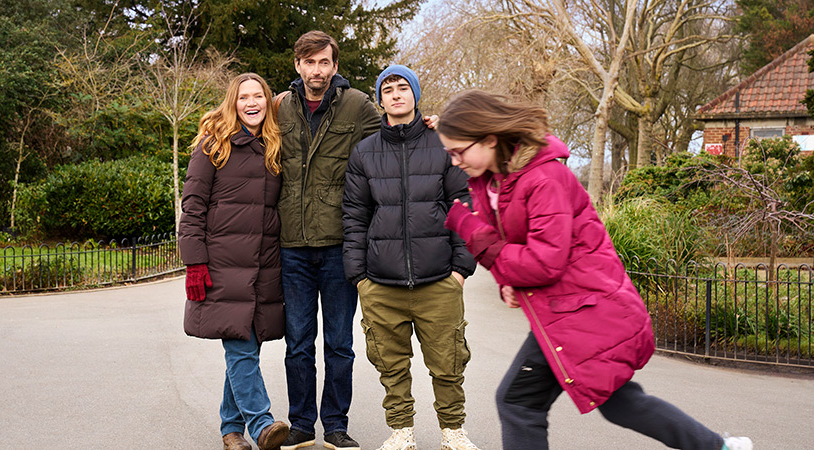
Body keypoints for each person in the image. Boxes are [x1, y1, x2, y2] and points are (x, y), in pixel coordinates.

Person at [438, 90, 754, 450]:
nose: (454, 161)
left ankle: (718, 447)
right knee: (617, 402)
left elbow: (543, 263)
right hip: (570, 311)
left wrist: (474, 233)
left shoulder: (542, 179)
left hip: (586, 312)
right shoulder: (496, 182)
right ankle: (719, 447)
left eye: (458, 151)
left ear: (490, 138)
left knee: (519, 401)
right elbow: (517, 248)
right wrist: (507, 280)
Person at [341, 65, 480, 450]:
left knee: (449, 363)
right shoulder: (364, 153)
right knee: (391, 365)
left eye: (403, 88)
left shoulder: (443, 145)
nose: (396, 94)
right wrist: (359, 277)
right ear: (380, 99)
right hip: (380, 284)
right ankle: (402, 431)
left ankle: (453, 431)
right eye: (388, 89)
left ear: (415, 95)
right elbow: (354, 217)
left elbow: (465, 204)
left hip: (439, 280)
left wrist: (461, 269)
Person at [275, 30, 381, 450]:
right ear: (297, 65)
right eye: (309, 62)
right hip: (292, 247)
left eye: (324, 62)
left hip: (339, 246)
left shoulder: (357, 106)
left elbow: (392, 138)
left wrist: (424, 124)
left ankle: (335, 424)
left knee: (339, 343)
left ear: (334, 65)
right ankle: (301, 424)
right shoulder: (280, 107)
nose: (317, 70)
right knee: (298, 343)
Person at [179, 73, 290, 450]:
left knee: (247, 344)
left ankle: (231, 430)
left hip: (262, 266)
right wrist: (194, 262)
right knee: (239, 347)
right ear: (233, 102)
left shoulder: (273, 146)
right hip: (223, 265)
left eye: (259, 96)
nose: (252, 102)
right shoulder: (213, 145)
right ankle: (260, 425)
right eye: (244, 97)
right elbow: (192, 207)